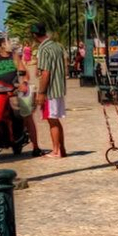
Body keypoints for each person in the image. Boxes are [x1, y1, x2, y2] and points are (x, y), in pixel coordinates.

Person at [30, 23, 68, 157]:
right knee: (56, 119)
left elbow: (46, 73)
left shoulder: (43, 49)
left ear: (35, 35)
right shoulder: (57, 46)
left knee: (52, 120)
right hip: (59, 88)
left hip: (50, 90)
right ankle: (61, 149)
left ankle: (56, 151)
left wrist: (41, 93)